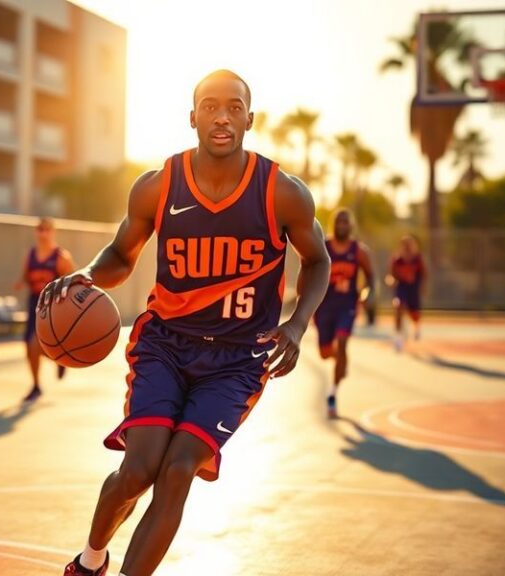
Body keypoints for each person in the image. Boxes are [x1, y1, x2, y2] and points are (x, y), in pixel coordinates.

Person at [41, 69, 330, 576]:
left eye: (235, 107)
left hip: (238, 359)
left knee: (178, 471)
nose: (223, 116)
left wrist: (296, 323)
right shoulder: (157, 185)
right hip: (165, 346)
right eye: (211, 106)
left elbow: (319, 260)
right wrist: (86, 275)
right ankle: (90, 561)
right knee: (137, 471)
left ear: (250, 118)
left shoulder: (281, 192)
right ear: (192, 116)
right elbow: (121, 254)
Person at [313, 208, 374, 419]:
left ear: (351, 226)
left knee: (342, 339)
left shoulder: (359, 251)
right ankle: (341, 360)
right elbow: (310, 269)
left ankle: (333, 394)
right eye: (339, 222)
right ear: (333, 225)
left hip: (347, 305)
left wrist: (367, 295)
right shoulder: (324, 247)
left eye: (345, 222)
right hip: (324, 306)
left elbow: (370, 279)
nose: (342, 225)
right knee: (324, 352)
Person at [13, 217, 76, 402]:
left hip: (53, 305)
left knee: (35, 343)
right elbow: (25, 275)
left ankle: (57, 363)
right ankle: (37, 384)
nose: (43, 233)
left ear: (53, 232)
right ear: (36, 232)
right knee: (29, 346)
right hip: (35, 302)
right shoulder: (30, 254)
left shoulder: (61, 256)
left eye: (47, 229)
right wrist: (20, 282)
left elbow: (72, 281)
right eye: (40, 229)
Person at [387, 235, 426, 349]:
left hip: (413, 288)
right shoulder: (397, 259)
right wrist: (391, 281)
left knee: (414, 313)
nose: (407, 247)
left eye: (409, 244)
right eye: (404, 244)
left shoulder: (417, 259)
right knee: (398, 306)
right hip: (402, 287)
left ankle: (416, 326)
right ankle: (398, 336)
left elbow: (423, 274)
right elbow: (391, 275)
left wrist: (423, 286)